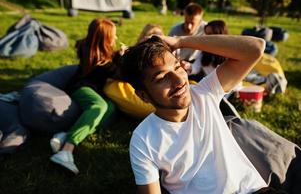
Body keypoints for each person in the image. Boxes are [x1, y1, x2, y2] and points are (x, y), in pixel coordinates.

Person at [119, 34, 277, 193]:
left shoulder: (205, 94)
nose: (179, 81)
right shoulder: (143, 140)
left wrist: (181, 41)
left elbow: (255, 48)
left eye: (177, 67)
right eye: (162, 78)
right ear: (143, 95)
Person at [50, 18, 120, 174]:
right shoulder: (103, 62)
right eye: (113, 36)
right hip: (79, 88)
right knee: (99, 106)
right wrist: (122, 58)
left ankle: (65, 135)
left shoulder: (91, 50)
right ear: (105, 39)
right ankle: (67, 150)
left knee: (110, 107)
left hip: (90, 88)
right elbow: (119, 73)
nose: (116, 38)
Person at [168, 2, 207, 75]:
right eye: (186, 22)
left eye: (192, 23)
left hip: (198, 62)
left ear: (200, 21)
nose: (189, 27)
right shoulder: (175, 30)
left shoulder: (206, 29)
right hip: (178, 63)